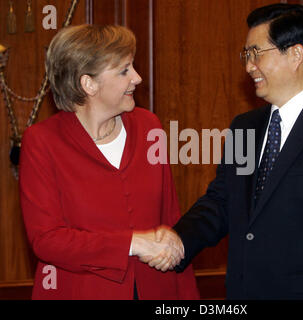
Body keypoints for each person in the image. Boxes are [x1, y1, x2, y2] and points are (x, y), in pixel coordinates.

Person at [150, 4, 303, 299]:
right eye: (246, 55)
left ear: (295, 54)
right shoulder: (244, 127)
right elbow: (221, 201)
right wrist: (179, 239)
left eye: (257, 53)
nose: (249, 66)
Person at [19, 24, 199, 300]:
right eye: (124, 70)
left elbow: (169, 219)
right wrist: (133, 243)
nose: (137, 78)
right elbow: (48, 240)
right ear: (88, 83)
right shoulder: (42, 141)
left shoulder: (149, 125)